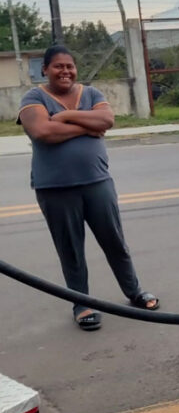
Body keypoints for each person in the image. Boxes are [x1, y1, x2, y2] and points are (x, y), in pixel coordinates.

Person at [17, 45, 159, 331]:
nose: (65, 71)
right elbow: (43, 132)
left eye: (69, 66)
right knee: (71, 249)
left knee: (115, 242)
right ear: (45, 69)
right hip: (55, 188)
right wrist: (88, 125)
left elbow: (106, 120)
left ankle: (134, 293)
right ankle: (82, 304)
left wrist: (66, 117)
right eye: (58, 66)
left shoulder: (91, 93)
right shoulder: (33, 97)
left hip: (98, 183)